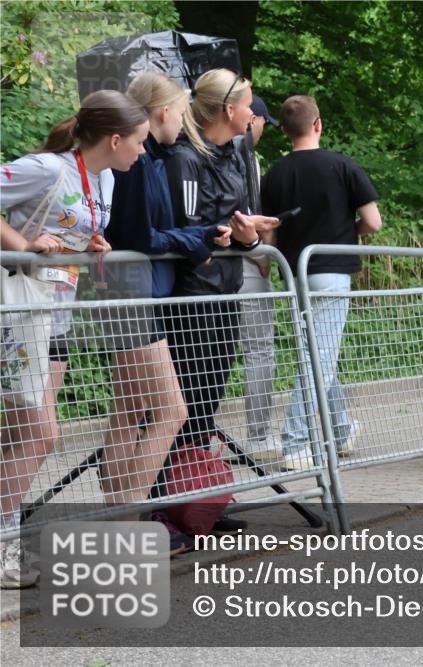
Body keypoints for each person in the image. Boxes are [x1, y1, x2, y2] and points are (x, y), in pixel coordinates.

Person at [1, 90, 149, 588]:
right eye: (139, 142)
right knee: (40, 432)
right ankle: (4, 544)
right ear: (114, 139)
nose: (143, 152)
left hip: (57, 316)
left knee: (20, 434)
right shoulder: (46, 167)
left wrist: (87, 243)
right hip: (20, 310)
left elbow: (66, 225)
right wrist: (23, 245)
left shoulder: (104, 176)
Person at [101, 73, 237, 530]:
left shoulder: (148, 159)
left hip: (136, 292)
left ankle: (120, 517)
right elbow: (140, 235)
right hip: (136, 295)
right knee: (170, 411)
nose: (185, 121)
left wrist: (196, 236)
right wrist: (196, 239)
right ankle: (130, 518)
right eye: (181, 112)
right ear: (162, 112)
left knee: (130, 410)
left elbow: (149, 232)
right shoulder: (140, 162)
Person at [157, 69, 277, 535]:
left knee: (207, 403)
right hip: (191, 298)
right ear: (229, 110)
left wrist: (248, 239)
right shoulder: (184, 158)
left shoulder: (237, 152)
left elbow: (234, 228)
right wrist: (223, 235)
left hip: (226, 290)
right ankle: (168, 507)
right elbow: (185, 229)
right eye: (248, 104)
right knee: (183, 403)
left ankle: (200, 502)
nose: (253, 112)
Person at [261, 94, 382, 471]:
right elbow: (374, 222)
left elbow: (269, 237)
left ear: (283, 130)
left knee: (317, 355)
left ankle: (342, 430)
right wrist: (351, 232)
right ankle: (296, 443)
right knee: (320, 359)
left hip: (293, 274)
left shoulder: (275, 174)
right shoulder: (343, 166)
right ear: (319, 124)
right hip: (331, 273)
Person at [237, 94, 283, 463]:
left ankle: (196, 443)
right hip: (246, 264)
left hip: (213, 268)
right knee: (258, 350)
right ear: (254, 120)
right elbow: (241, 215)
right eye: (265, 124)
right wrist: (259, 251)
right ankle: (259, 436)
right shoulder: (244, 157)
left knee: (213, 353)